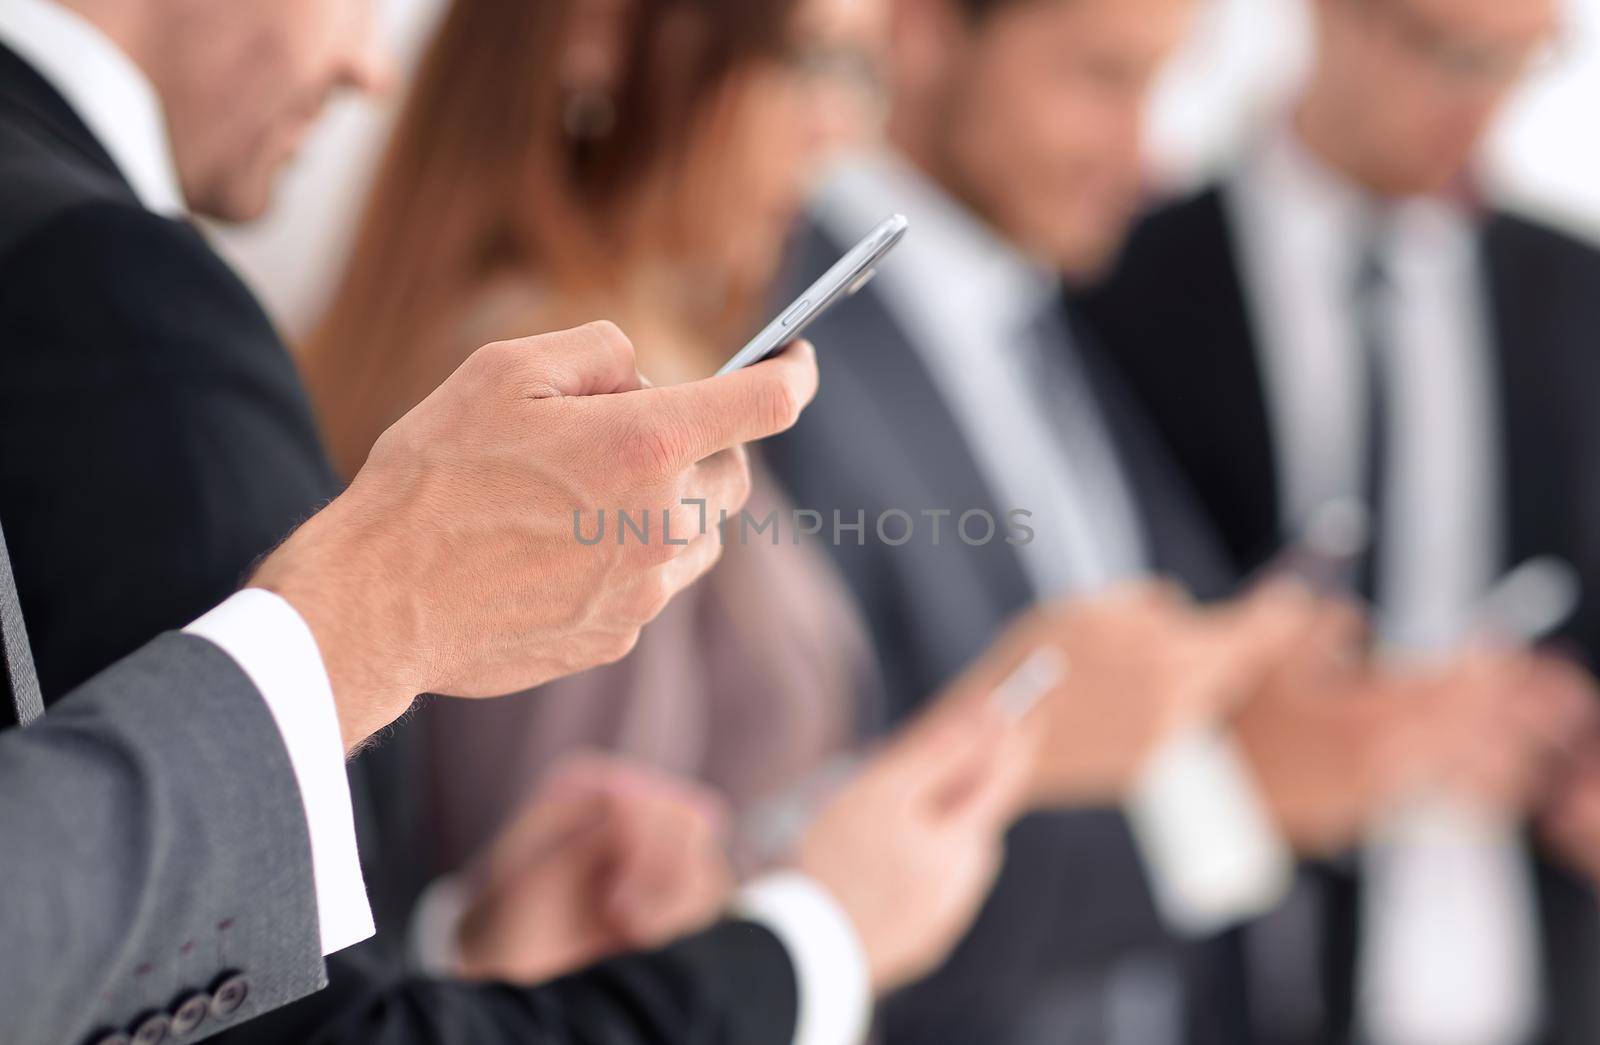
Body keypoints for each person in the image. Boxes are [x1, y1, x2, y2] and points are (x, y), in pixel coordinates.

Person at [0, 1, 1027, 1044]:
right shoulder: (111, 289)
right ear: (604, 38)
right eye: (807, 61)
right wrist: (815, 939)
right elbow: (282, 1019)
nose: (372, 65)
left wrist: (455, 950)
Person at [297, 0, 1330, 992]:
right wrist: (1003, 737)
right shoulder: (570, 414)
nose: (839, 124)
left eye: (855, 69)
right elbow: (573, 918)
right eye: (810, 59)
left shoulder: (627, 366)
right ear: (605, 37)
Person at [763, 0, 1590, 1042]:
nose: (1146, 152)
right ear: (921, 32)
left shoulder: (1044, 325)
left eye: (1162, 86)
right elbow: (792, 857)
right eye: (1101, 80)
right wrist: (1242, 793)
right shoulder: (782, 352)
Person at [1074, 0, 1600, 1040]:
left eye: (1522, 59)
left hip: (1521, 982)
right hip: (1209, 979)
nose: (1481, 103)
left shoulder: (1574, 295)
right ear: (1328, 18)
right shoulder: (1118, 279)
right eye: (1447, 52)